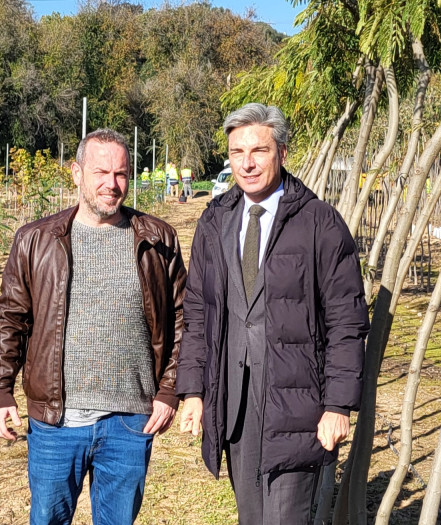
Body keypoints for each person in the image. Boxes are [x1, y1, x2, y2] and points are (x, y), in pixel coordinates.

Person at [176, 103, 369, 524]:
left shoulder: (319, 223)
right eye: (236, 152)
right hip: (234, 401)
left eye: (258, 151)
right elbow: (198, 313)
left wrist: (338, 405)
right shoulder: (215, 220)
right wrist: (193, 391)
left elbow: (346, 321)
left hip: (296, 404)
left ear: (282, 153)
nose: (246, 163)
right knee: (251, 516)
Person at [0, 128, 186, 525]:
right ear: (76, 172)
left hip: (131, 421)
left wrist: (170, 391)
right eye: (100, 172)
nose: (111, 185)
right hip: (56, 423)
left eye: (121, 174)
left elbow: (183, 319)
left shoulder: (157, 238)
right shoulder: (36, 240)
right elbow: (11, 317)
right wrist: (0, 390)